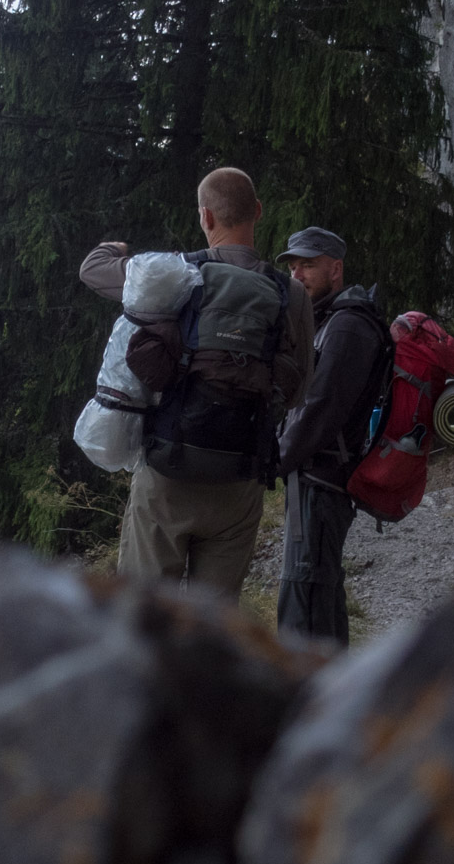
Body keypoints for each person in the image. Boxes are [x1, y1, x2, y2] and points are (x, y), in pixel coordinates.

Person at [79, 168, 315, 597]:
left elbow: (92, 270)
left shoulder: (173, 272)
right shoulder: (291, 294)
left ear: (205, 217)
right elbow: (297, 393)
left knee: (142, 616)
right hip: (240, 478)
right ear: (257, 212)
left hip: (169, 472)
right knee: (214, 625)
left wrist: (115, 247)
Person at [274, 226, 388, 645]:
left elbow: (319, 410)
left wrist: (274, 460)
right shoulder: (329, 319)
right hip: (314, 481)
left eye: (308, 265)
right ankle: (335, 698)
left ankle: (307, 698)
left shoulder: (347, 326)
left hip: (321, 483)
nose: (297, 273)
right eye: (293, 265)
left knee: (304, 599)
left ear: (335, 269)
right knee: (319, 593)